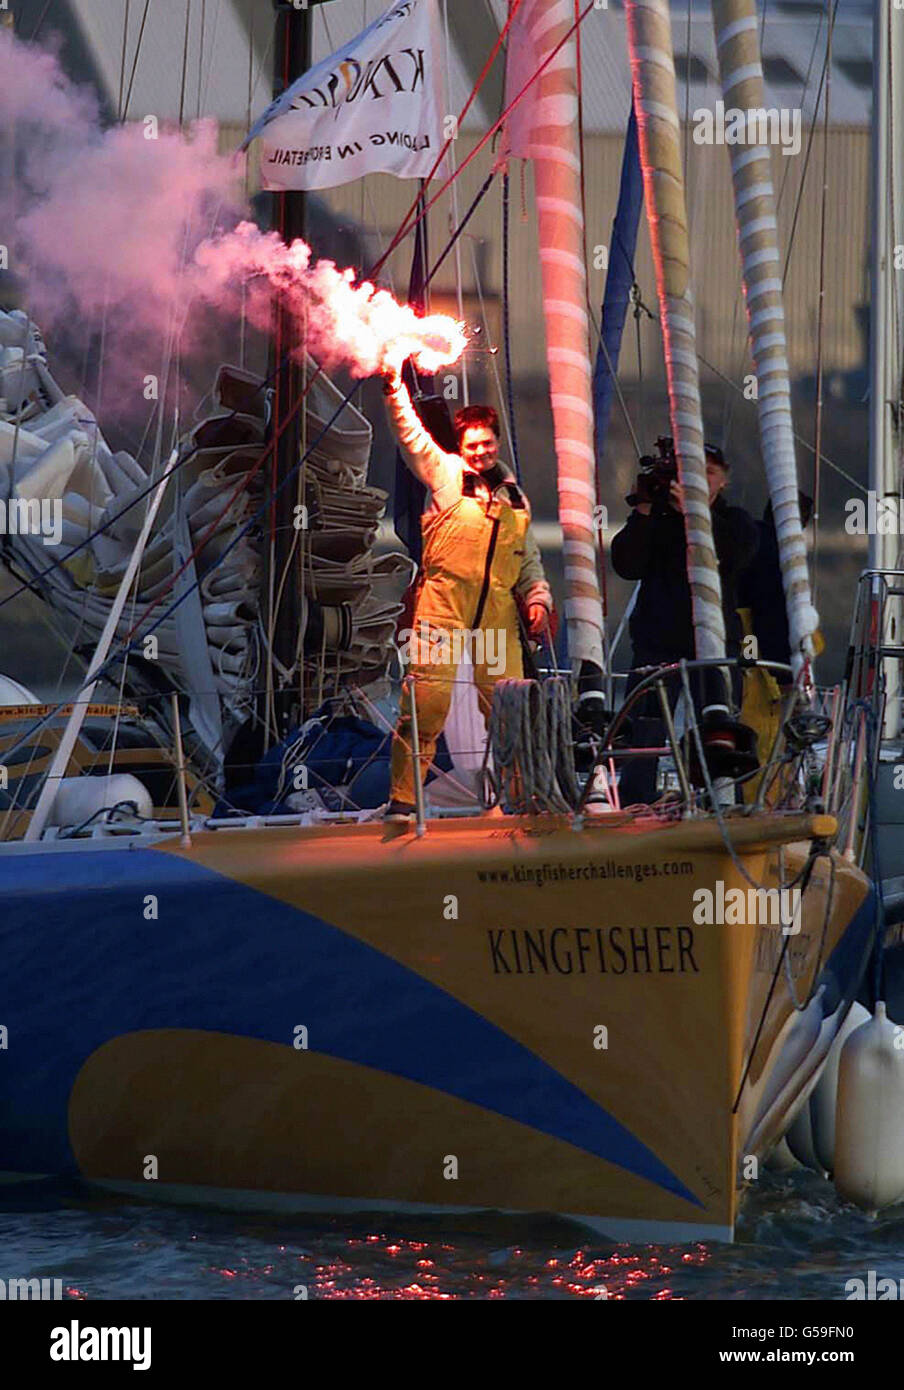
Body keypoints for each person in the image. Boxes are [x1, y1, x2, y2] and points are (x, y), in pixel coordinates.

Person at [382, 367, 553, 820]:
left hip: (496, 616)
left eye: (488, 442)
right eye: (473, 444)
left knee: (508, 706)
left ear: (497, 442)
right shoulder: (444, 474)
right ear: (461, 446)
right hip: (442, 606)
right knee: (426, 702)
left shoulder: (515, 497)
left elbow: (528, 557)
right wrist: (393, 388)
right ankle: (403, 798)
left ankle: (520, 796)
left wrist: (537, 598)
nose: (481, 450)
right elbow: (410, 434)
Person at [610, 444, 757, 805]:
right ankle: (634, 805)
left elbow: (735, 556)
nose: (698, 478)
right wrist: (644, 508)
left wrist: (696, 514)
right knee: (644, 735)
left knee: (720, 730)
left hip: (714, 645)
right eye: (691, 470)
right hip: (657, 644)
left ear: (723, 480)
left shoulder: (735, 521)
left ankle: (722, 801)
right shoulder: (657, 520)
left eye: (708, 472)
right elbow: (627, 565)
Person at [737, 493, 814, 670]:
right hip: (753, 642)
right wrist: (783, 673)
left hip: (737, 634)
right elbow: (770, 615)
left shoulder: (749, 539)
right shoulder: (778, 556)